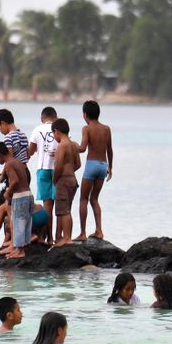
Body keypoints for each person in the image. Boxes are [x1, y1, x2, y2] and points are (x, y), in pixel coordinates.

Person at [76, 100, 114, 242]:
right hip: (103, 165)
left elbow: (82, 148)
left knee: (83, 199)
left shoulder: (86, 129)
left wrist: (70, 145)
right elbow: (110, 150)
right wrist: (111, 167)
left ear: (85, 114)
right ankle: (99, 230)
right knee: (94, 199)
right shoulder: (106, 129)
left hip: (91, 165)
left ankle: (83, 233)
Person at [0, 141, 33, 259]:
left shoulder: (9, 164)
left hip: (20, 196)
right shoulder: (18, 161)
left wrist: (7, 193)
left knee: (18, 222)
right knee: (26, 222)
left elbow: (14, 181)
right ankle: (20, 247)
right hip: (28, 194)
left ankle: (20, 251)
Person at [28, 106, 59, 245]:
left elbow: (30, 151)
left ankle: (49, 237)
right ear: (55, 118)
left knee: (47, 207)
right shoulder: (61, 128)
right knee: (60, 207)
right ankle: (58, 238)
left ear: (42, 119)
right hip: (59, 170)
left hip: (43, 170)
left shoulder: (37, 129)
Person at [52, 118, 81, 247]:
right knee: (67, 210)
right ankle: (66, 236)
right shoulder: (74, 144)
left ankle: (67, 238)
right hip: (73, 180)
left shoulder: (61, 146)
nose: (54, 136)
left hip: (63, 181)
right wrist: (69, 171)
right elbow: (78, 164)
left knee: (63, 211)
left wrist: (55, 179)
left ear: (57, 131)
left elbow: (58, 166)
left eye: (54, 134)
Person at [0, 108, 30, 183]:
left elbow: (9, 159)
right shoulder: (23, 135)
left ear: (3, 123)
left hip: (16, 173)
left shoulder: (8, 137)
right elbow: (28, 155)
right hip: (26, 172)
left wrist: (3, 176)